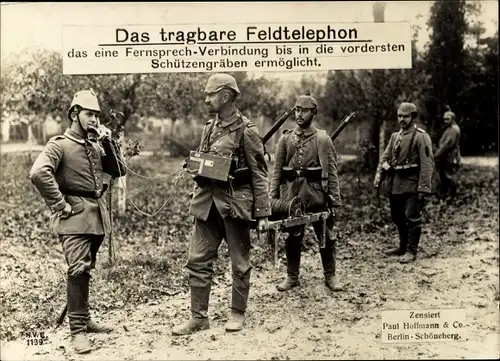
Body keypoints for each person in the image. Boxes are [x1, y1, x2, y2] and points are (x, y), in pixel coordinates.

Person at [29, 89, 127, 354]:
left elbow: (119, 170)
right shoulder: (59, 144)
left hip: (96, 217)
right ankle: (77, 332)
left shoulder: (95, 144)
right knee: (78, 269)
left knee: (85, 268)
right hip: (73, 218)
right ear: (74, 113)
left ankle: (83, 318)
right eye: (89, 114)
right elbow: (39, 173)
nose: (94, 119)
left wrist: (109, 143)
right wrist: (60, 204)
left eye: (96, 114)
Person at [172, 73, 270, 335]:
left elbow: (259, 173)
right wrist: (194, 165)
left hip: (235, 204)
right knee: (197, 259)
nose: (206, 99)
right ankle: (198, 317)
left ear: (225, 96)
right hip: (207, 204)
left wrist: (262, 213)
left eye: (210, 94)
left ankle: (237, 313)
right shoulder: (209, 127)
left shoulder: (246, 131)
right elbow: (206, 158)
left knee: (239, 262)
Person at [269, 94, 343, 292]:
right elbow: (277, 172)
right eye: (297, 110)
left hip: (318, 195)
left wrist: (335, 202)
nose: (299, 114)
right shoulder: (285, 139)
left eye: (304, 110)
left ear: (314, 112)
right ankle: (292, 276)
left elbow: (332, 171)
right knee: (292, 236)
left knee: (326, 235)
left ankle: (331, 275)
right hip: (292, 196)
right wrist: (272, 199)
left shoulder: (322, 139)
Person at [373, 102, 434, 263]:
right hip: (395, 183)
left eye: (405, 116)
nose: (402, 119)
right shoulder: (395, 136)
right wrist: (378, 176)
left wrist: (423, 188)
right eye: (399, 116)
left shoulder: (421, 136)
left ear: (413, 117)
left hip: (413, 183)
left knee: (412, 217)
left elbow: (427, 164)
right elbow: (384, 158)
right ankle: (402, 246)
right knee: (397, 216)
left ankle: (411, 251)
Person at [434, 110, 461, 199]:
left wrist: (437, 155)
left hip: (449, 155)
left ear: (452, 119)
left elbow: (447, 145)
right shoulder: (451, 128)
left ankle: (451, 194)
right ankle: (446, 193)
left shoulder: (453, 130)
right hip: (447, 154)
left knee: (448, 174)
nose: (445, 121)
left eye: (447, 119)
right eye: (444, 119)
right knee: (444, 174)